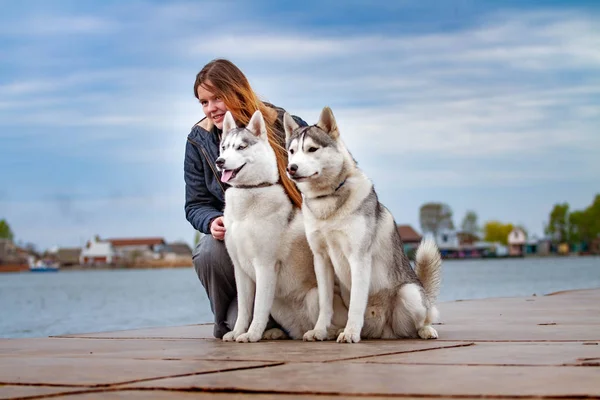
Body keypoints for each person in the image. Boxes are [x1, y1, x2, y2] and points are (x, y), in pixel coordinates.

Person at [184, 58, 307, 338]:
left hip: (290, 237)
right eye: (203, 102)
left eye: (217, 98)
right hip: (236, 238)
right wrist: (211, 220)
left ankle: (279, 318)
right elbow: (195, 204)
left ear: (236, 91)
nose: (210, 108)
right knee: (207, 252)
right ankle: (227, 320)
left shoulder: (282, 125)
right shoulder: (198, 140)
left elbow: (323, 166)